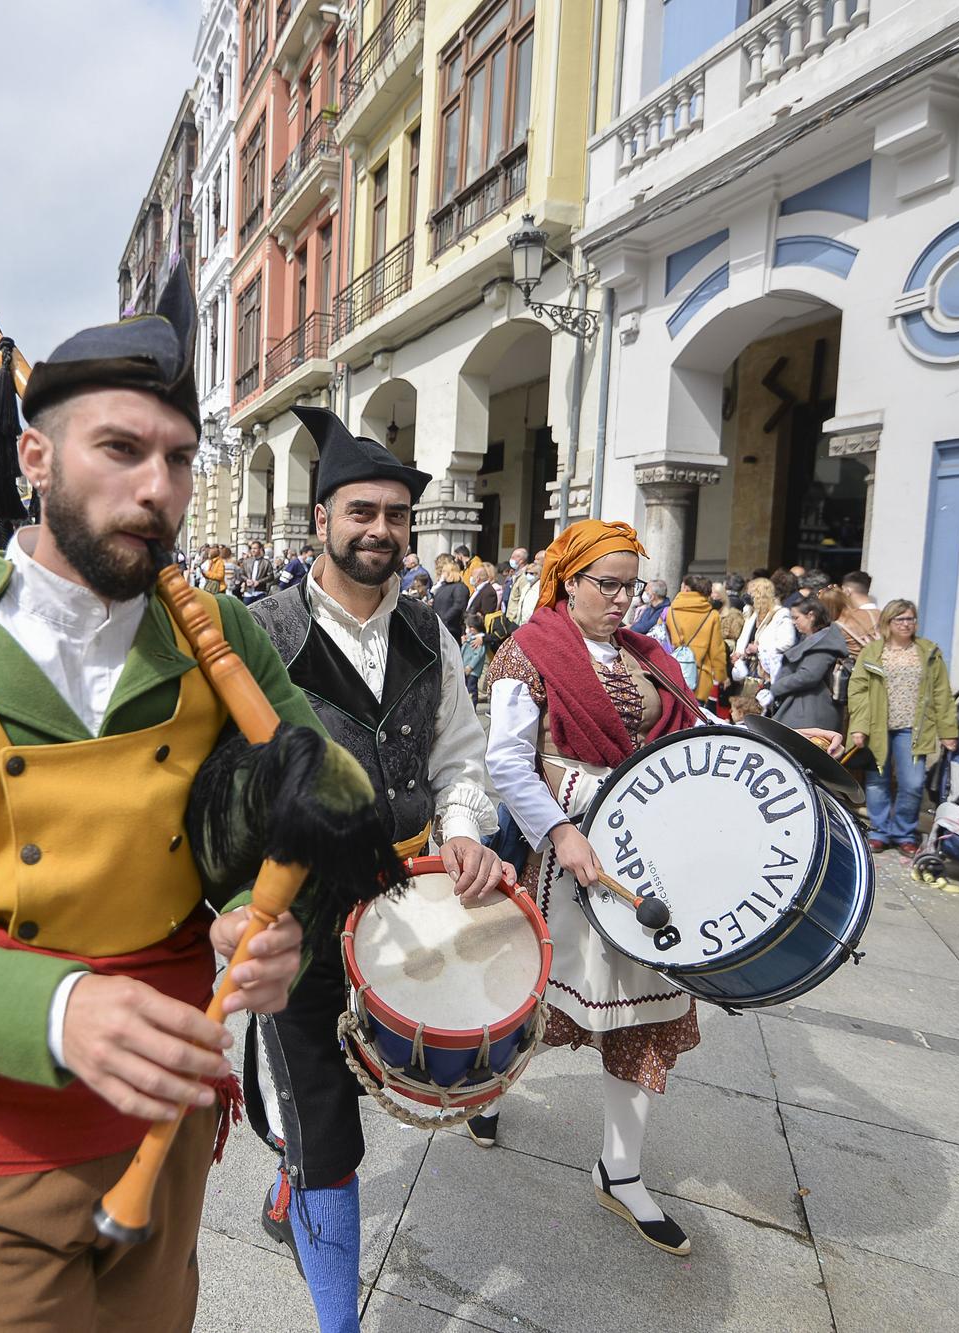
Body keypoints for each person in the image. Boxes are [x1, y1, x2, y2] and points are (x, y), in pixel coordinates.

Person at [0, 269, 394, 1331]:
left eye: (175, 459)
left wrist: (274, 925)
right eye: (118, 449)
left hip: (165, 1132)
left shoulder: (223, 637)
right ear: (36, 457)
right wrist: (61, 1009)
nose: (154, 488)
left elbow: (322, 799)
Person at [244, 406, 503, 1328]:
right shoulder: (257, 630)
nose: (380, 532)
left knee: (372, 1078)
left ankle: (290, 1192)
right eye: (362, 512)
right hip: (296, 914)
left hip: (402, 898)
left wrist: (466, 824)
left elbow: (462, 757)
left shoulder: (431, 631)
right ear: (320, 519)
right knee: (324, 1121)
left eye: (396, 516)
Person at [483, 519, 703, 1258]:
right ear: (569, 580)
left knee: (642, 1019)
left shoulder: (653, 657)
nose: (620, 599)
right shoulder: (530, 652)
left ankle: (622, 1170)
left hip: (653, 868)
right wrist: (561, 828)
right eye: (606, 584)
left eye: (630, 585)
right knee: (534, 1004)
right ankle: (482, 1091)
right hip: (574, 861)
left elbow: (685, 744)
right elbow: (510, 763)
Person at [847, 599, 958, 856]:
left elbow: (941, 692)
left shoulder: (927, 651)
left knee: (912, 783)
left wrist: (948, 730)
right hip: (878, 726)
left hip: (912, 727)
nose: (907, 624)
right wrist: (859, 726)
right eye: (901, 619)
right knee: (877, 781)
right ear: (888, 622)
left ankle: (904, 832)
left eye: (911, 619)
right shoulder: (873, 652)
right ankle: (879, 831)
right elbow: (859, 691)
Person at [763, 595, 848, 733]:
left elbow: (808, 676)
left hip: (811, 711)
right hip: (805, 707)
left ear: (811, 616)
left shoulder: (824, 642)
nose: (793, 622)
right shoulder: (817, 639)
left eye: (796, 618)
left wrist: (776, 688)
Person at [659, 574, 726, 702]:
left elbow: (658, 640)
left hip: (668, 676)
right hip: (698, 680)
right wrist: (721, 676)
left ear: (686, 589)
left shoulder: (669, 611)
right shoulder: (712, 615)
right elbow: (717, 651)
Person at [732, 576, 795, 687]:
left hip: (766, 672)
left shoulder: (780, 614)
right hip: (748, 670)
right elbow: (744, 639)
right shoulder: (752, 614)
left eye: (750, 593)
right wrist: (738, 653)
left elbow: (787, 643)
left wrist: (759, 648)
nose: (747, 596)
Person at [431, 551, 469, 640]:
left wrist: (444, 619)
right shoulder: (442, 587)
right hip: (439, 626)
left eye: (444, 571)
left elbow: (458, 606)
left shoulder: (460, 587)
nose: (442, 574)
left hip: (451, 628)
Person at [235, 539, 274, 604]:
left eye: (255, 548)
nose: (253, 550)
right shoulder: (246, 561)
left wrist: (259, 582)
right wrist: (247, 580)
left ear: (260, 549)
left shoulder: (266, 562)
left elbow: (271, 576)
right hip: (248, 593)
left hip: (260, 592)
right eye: (252, 548)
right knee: (247, 612)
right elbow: (241, 574)